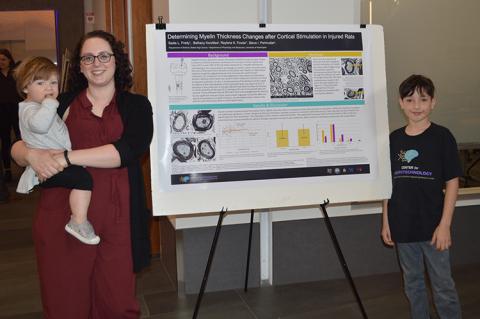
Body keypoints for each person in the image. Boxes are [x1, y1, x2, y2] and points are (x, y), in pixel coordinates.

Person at [11, 30, 153, 318]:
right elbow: (19, 143)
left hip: (118, 221)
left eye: (103, 55)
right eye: (88, 57)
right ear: (79, 65)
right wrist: (32, 155)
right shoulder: (57, 102)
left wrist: (65, 157)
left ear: (116, 60)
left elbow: (127, 151)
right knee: (66, 303)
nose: (96, 63)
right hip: (61, 217)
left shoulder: (136, 106)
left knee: (117, 304)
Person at [382, 74, 462, 319]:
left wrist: (445, 225)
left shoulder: (442, 137)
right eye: (410, 99)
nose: (417, 106)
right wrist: (386, 221)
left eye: (423, 99)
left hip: (434, 228)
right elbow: (387, 185)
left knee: (443, 285)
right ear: (401, 103)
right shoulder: (394, 139)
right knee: (413, 283)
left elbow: (452, 182)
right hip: (402, 226)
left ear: (433, 102)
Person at [14, 56, 99, 245]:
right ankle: (78, 221)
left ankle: (78, 219)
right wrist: (51, 104)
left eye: (53, 82)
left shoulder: (40, 107)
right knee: (83, 179)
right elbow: (39, 126)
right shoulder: (30, 109)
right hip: (47, 167)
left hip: (53, 162)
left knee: (82, 177)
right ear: (26, 88)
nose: (49, 88)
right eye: (40, 82)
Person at [0, 48, 21, 182]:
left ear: (9, 60)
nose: (1, 62)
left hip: (17, 109)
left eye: (3, 59)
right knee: (5, 140)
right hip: (2, 110)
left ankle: (26, 167)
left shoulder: (16, 73)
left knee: (22, 138)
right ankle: (7, 170)